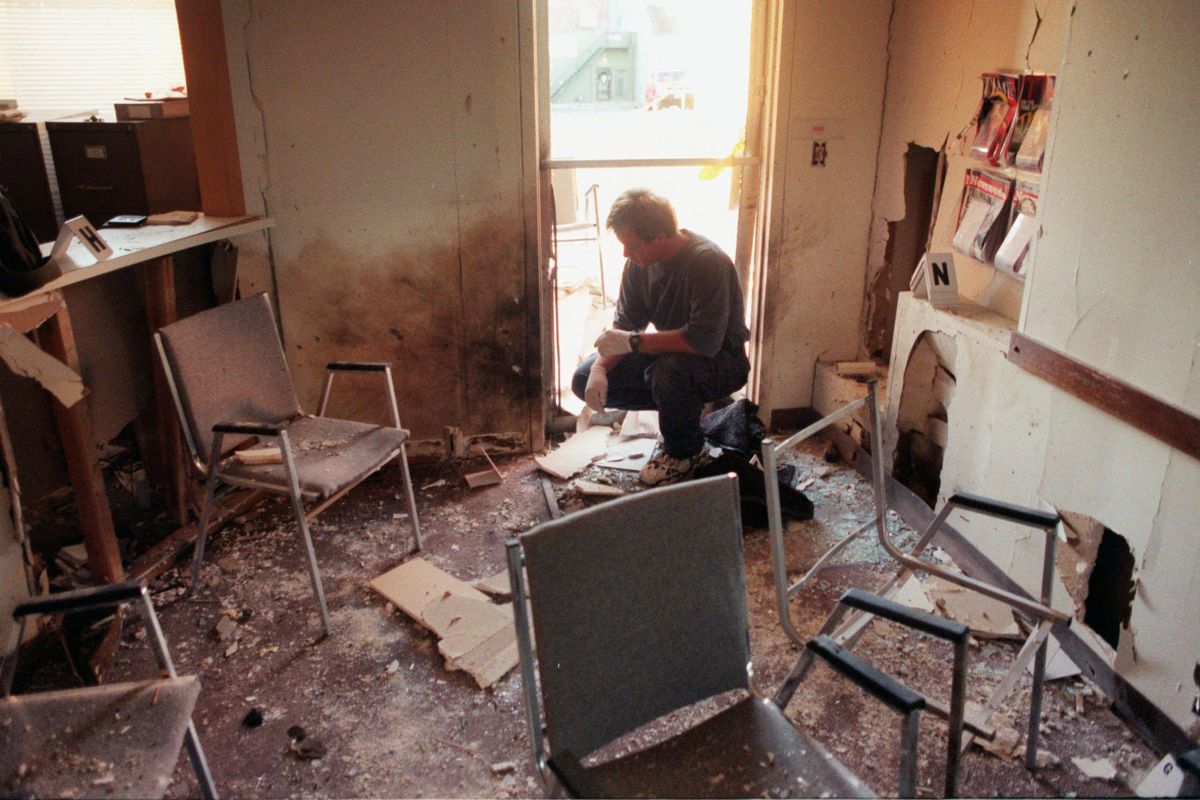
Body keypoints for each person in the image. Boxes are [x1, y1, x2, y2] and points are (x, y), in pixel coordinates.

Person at [572, 188, 750, 486]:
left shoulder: (707, 262)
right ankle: (682, 414)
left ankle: (684, 453)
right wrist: (600, 369)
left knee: (668, 374)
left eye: (631, 245)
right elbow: (626, 326)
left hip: (721, 361)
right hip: (672, 359)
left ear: (660, 236)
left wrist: (633, 342)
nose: (626, 254)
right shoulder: (638, 266)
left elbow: (702, 342)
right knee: (583, 378)